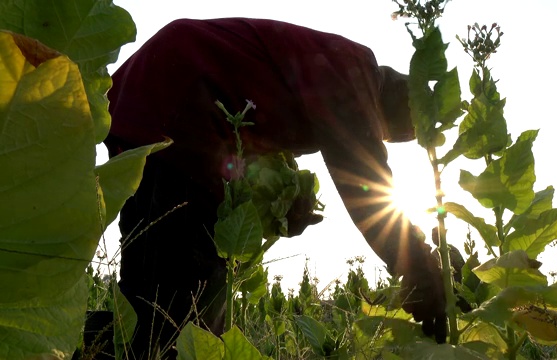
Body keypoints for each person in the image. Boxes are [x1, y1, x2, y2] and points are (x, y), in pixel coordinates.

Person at [105, 17, 446, 358]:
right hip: (180, 91)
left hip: (154, 98)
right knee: (190, 303)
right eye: (389, 130)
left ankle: (80, 349)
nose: (379, 133)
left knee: (143, 299)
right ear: (405, 95)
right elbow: (365, 183)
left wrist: (286, 203)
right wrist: (417, 266)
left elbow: (247, 151)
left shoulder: (334, 69)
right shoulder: (356, 72)